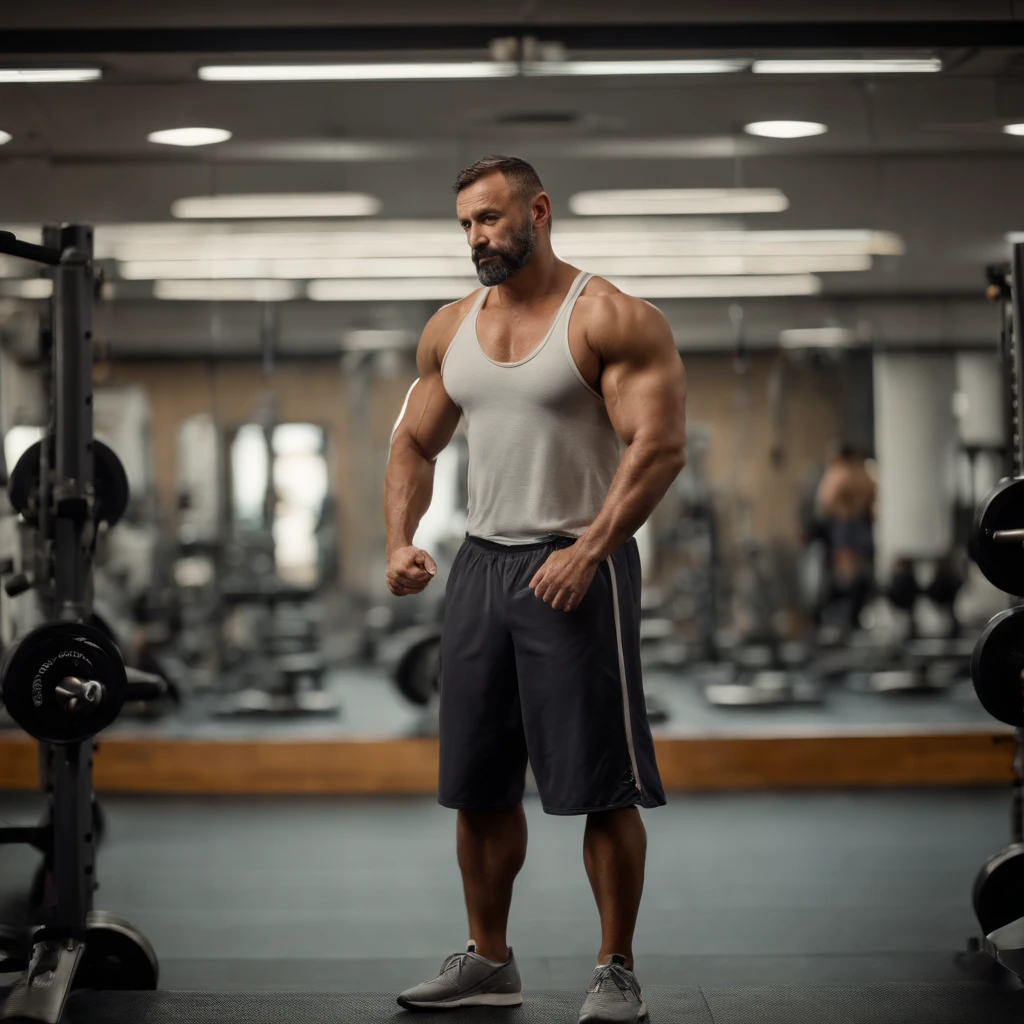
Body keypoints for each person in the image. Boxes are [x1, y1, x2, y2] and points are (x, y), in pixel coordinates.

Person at [383, 155, 687, 1023]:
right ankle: (488, 958)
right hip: (482, 568)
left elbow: (658, 447)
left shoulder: (611, 317)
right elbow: (413, 442)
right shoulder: (450, 327)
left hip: (577, 565)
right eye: (465, 225)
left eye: (489, 219)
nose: (476, 237)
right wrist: (399, 540)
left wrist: (591, 548)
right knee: (477, 782)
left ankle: (616, 967)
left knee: (604, 784)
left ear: (538, 211)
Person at [814, 445, 877, 630]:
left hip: (848, 527)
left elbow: (825, 503)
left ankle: (849, 619)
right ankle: (847, 619)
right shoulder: (863, 473)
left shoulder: (840, 473)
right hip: (853, 527)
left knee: (851, 574)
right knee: (851, 573)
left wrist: (848, 508)